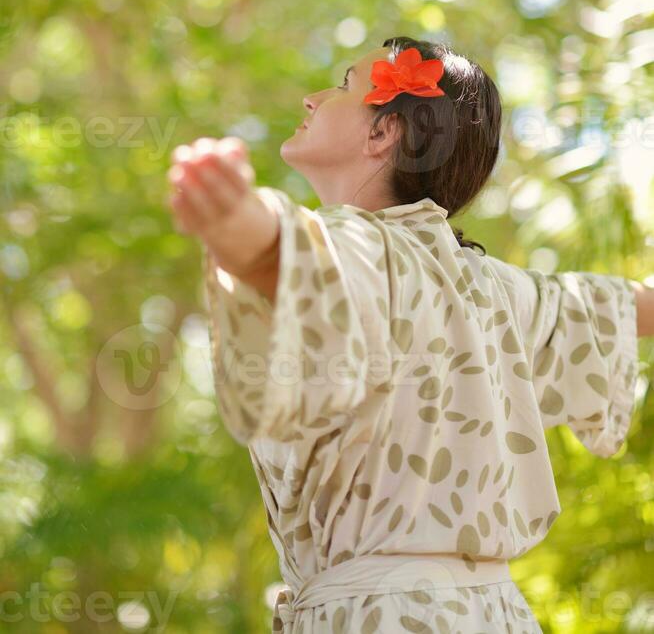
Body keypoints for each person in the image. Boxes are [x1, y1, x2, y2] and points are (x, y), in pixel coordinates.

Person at [168, 36, 653, 634]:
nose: (313, 97)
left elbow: (282, 249)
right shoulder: (489, 285)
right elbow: (611, 306)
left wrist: (231, 218)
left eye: (344, 85)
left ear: (383, 134)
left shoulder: (362, 246)